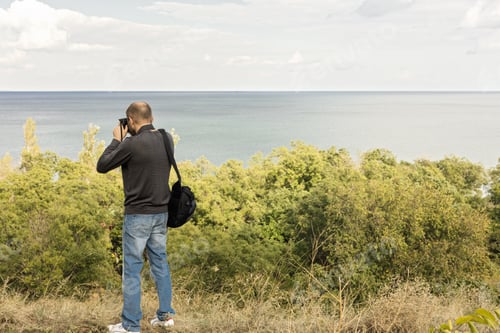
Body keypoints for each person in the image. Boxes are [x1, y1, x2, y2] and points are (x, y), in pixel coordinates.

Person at [97, 101, 176, 333]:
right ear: (151, 117)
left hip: (138, 216)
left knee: (132, 268)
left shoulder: (131, 144)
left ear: (130, 120)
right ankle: (165, 316)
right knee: (160, 263)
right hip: (161, 213)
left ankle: (131, 325)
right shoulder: (166, 138)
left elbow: (102, 165)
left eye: (127, 122)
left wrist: (116, 140)